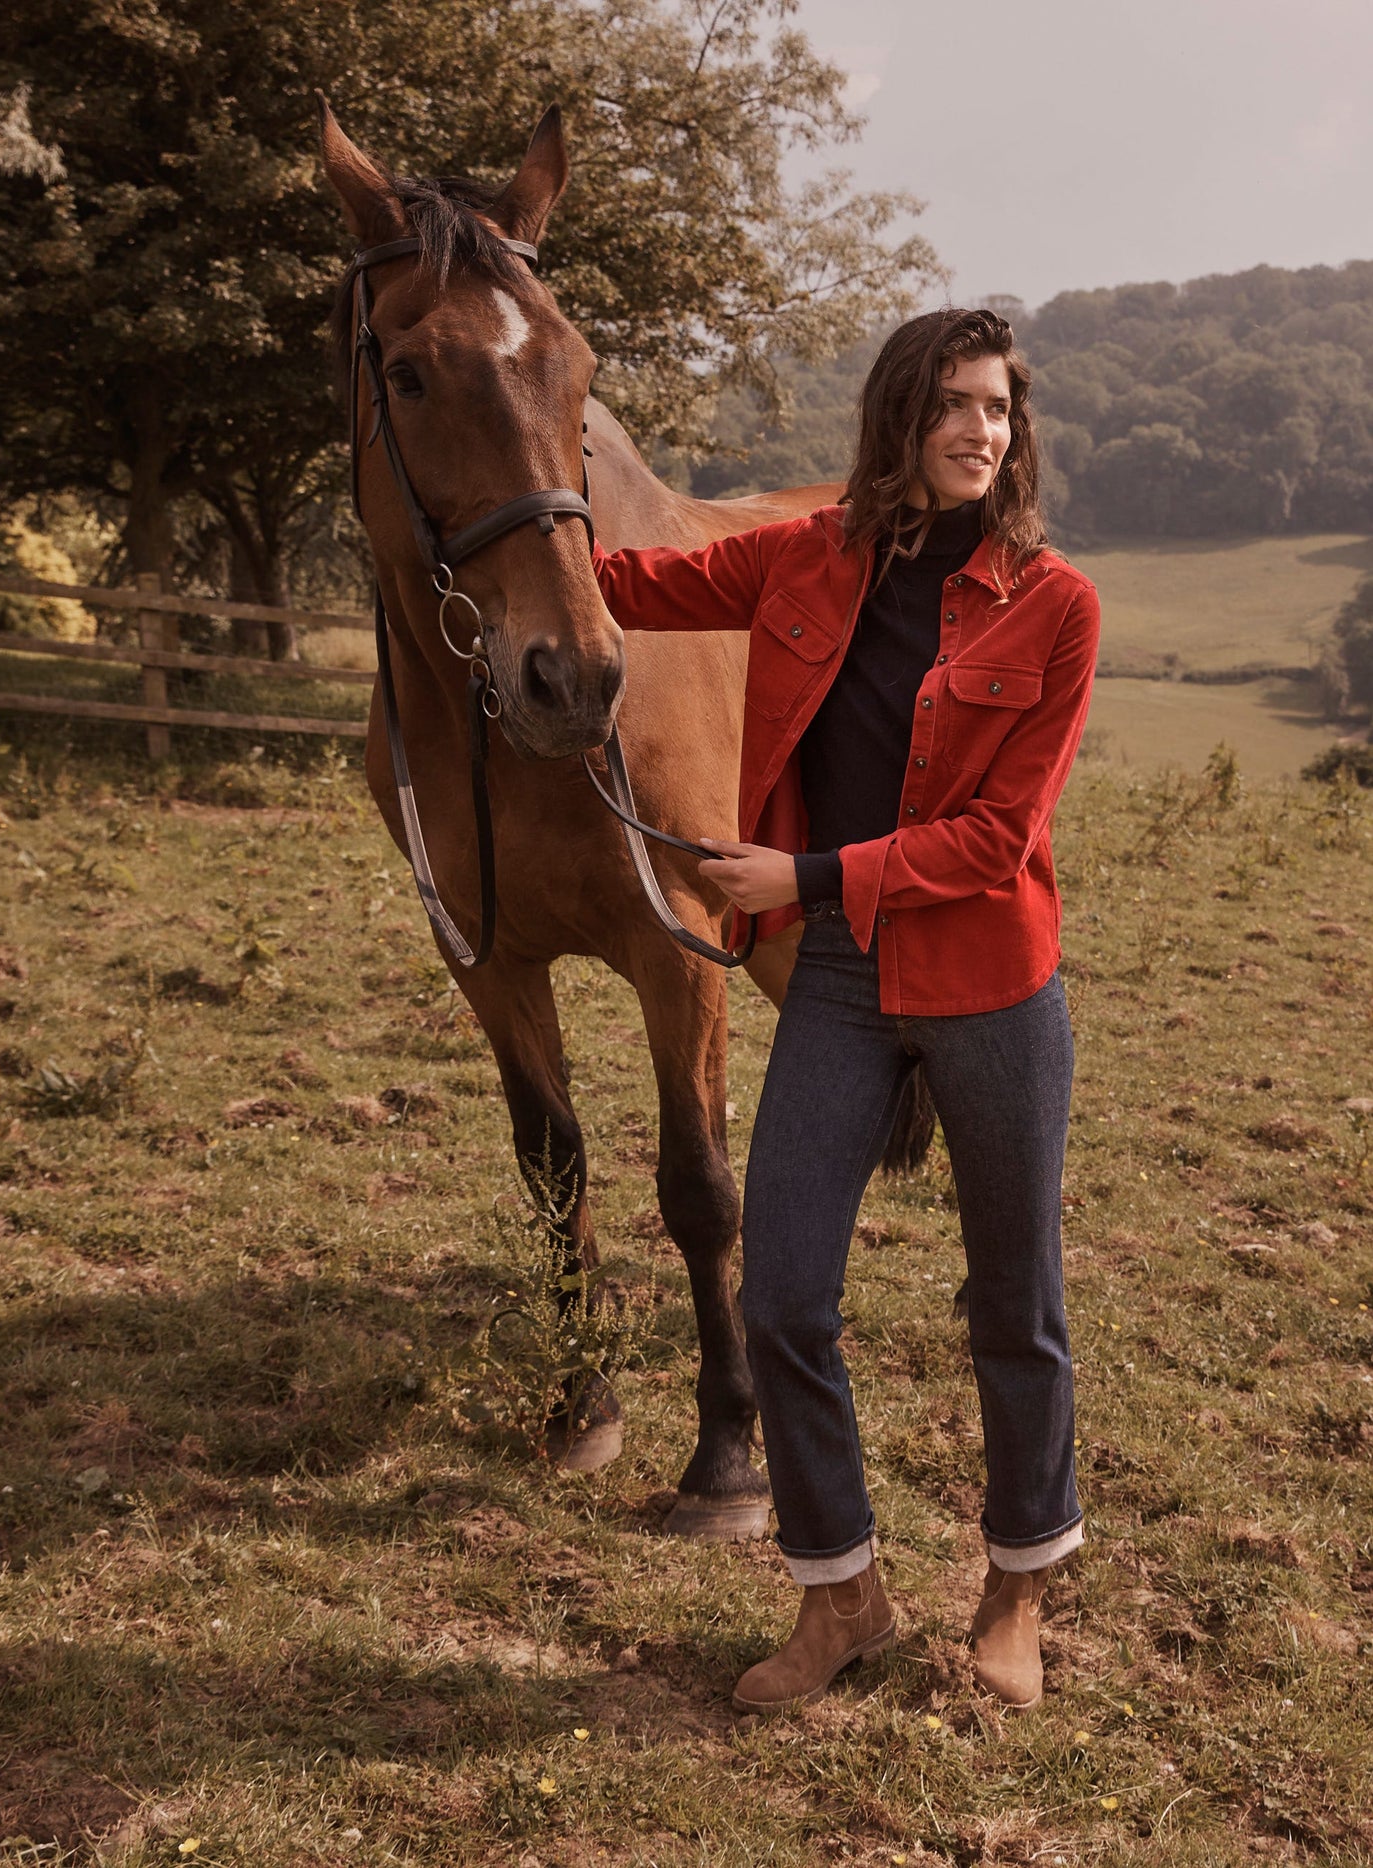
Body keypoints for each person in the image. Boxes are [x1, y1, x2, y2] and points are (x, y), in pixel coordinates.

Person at [593, 307, 1099, 1716]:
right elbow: (627, 578)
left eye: (995, 409)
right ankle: (841, 1599)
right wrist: (482, 517)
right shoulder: (804, 560)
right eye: (949, 406)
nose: (976, 432)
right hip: (838, 981)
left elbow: (996, 843)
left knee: (1015, 1306)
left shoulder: (1055, 603)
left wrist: (798, 873)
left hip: (993, 984)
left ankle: (1012, 1595)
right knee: (782, 1298)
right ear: (894, 420)